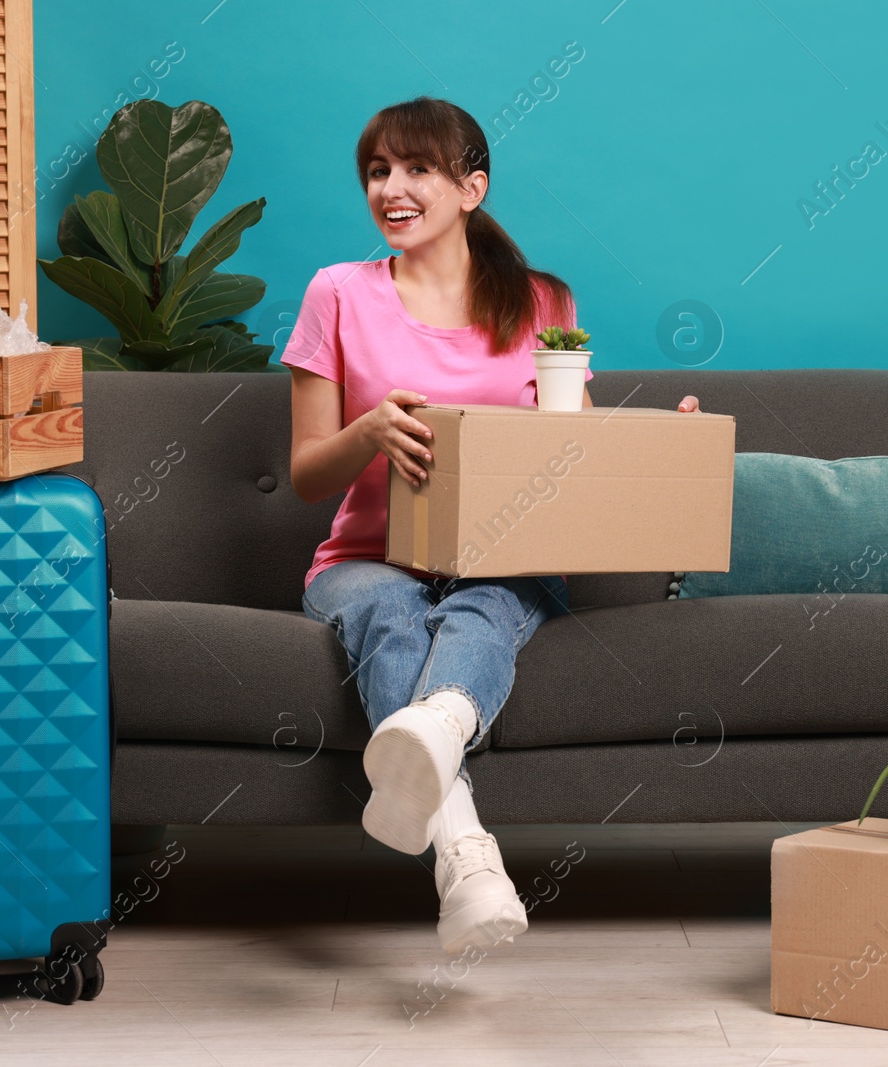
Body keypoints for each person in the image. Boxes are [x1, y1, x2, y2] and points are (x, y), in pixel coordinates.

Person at [281, 96, 702, 954]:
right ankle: (465, 850)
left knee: (484, 604)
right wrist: (367, 433)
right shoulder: (338, 294)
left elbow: (573, 452)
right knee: (386, 613)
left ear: (472, 187)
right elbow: (302, 475)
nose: (391, 189)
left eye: (417, 169)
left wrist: (662, 444)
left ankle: (440, 758)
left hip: (503, 557)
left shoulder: (543, 300)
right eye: (377, 171)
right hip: (367, 557)